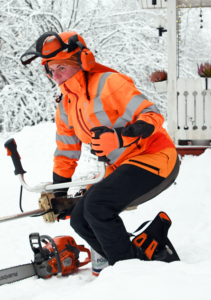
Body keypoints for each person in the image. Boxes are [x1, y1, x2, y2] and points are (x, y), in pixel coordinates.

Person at [21, 31, 179, 266]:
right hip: (124, 167)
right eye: (50, 70)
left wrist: (120, 137)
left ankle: (129, 272)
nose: (56, 76)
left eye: (61, 68)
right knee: (79, 219)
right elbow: (66, 152)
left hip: (155, 156)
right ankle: (138, 256)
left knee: (97, 205)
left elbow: (152, 115)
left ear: (81, 61)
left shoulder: (109, 84)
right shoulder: (65, 105)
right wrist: (59, 194)